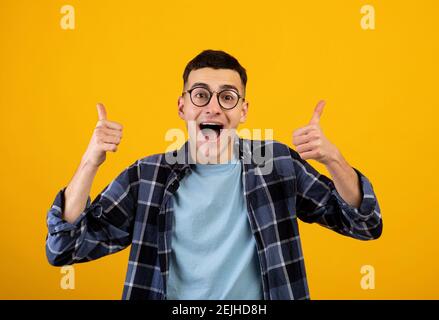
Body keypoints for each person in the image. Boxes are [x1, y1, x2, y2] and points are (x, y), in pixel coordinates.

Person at [45, 49, 382, 300]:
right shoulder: (148, 176)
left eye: (228, 97)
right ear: (182, 106)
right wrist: (90, 162)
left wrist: (333, 159)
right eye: (201, 94)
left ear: (243, 110)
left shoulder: (275, 164)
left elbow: (364, 224)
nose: (214, 107)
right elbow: (64, 247)